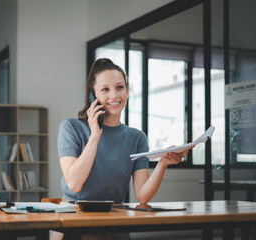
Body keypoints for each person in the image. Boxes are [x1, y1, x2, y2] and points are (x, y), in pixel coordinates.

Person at [53, 58, 190, 240]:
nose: (114, 95)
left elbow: (142, 196)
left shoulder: (136, 137)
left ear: (127, 91)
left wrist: (163, 163)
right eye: (105, 90)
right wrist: (95, 136)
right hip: (74, 216)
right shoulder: (71, 127)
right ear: (92, 95)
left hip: (115, 216)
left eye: (120, 87)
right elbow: (75, 183)